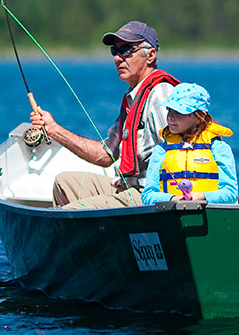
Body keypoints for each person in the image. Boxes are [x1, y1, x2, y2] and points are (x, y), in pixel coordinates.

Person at [29, 20, 178, 208]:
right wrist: (53, 129)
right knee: (64, 183)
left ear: (150, 55)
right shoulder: (133, 99)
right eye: (114, 51)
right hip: (128, 188)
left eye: (126, 50)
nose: (117, 58)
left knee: (71, 212)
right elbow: (105, 155)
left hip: (151, 195)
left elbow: (179, 151)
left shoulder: (161, 93)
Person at [141, 83, 237, 205]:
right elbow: (148, 195)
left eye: (179, 112)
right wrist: (174, 200)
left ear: (199, 117)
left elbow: (230, 193)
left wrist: (202, 197)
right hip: (170, 217)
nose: (170, 117)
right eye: (169, 110)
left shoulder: (219, 149)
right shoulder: (161, 150)